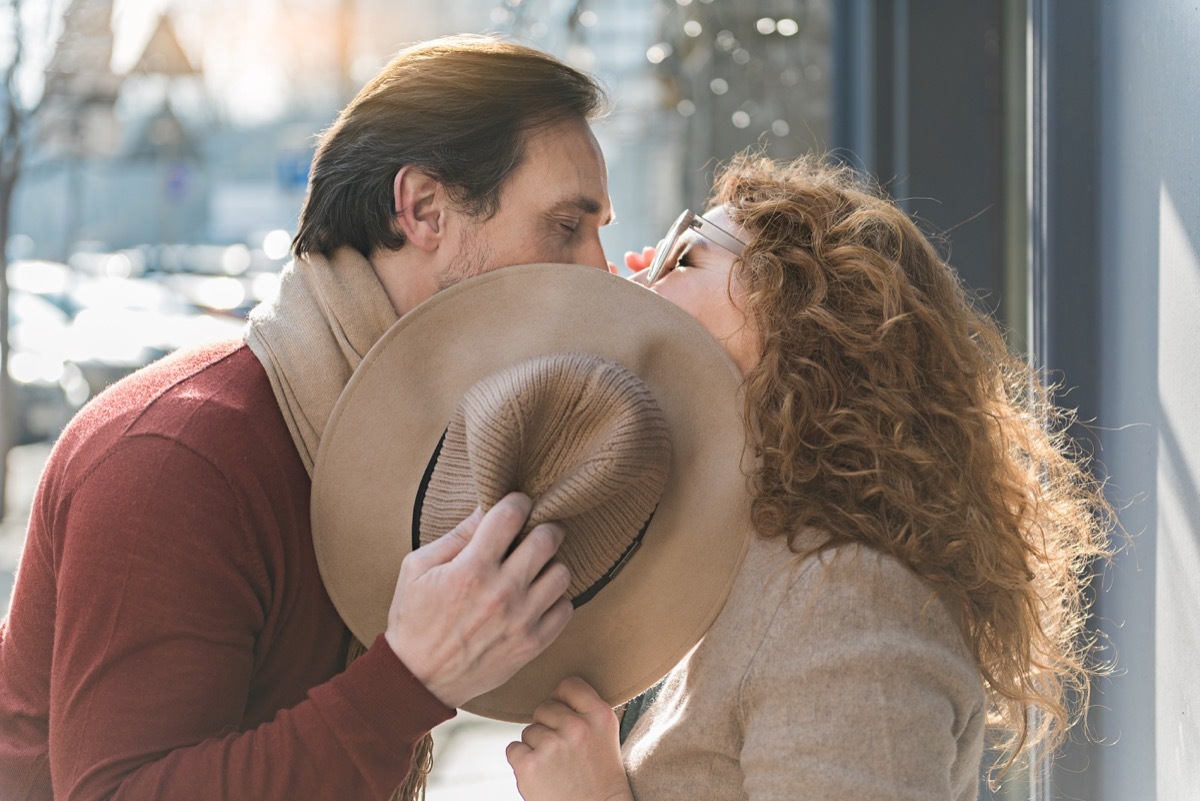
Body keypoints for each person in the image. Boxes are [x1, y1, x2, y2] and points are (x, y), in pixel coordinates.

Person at [0, 35, 615, 801]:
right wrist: (409, 679)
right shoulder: (180, 457)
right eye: (566, 226)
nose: (599, 269)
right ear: (423, 208)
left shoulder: (416, 451)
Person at [505, 153, 1114, 800]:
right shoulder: (749, 568)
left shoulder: (850, 595)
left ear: (795, 310)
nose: (636, 268)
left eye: (685, 255)